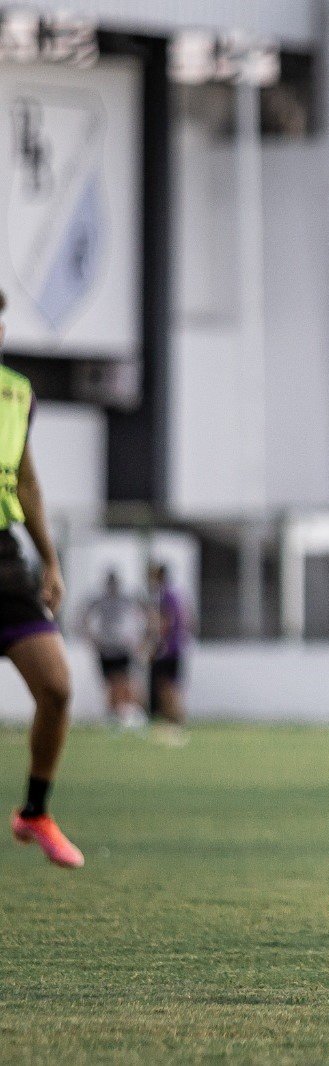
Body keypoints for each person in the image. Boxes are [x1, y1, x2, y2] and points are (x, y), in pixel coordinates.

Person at [0, 289, 83, 868]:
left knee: (55, 687)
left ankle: (34, 811)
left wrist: (49, 560)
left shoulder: (17, 393)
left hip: (5, 559)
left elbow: (26, 482)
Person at [79, 570, 147, 728]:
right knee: (110, 684)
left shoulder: (125, 599)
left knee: (124, 682)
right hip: (105, 648)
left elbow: (143, 613)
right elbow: (83, 617)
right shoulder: (100, 600)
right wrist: (91, 638)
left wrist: (138, 638)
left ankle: (129, 713)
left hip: (121, 648)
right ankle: (113, 715)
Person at [145, 563, 188, 743]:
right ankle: (173, 723)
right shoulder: (173, 594)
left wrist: (155, 646)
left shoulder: (165, 596)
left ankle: (176, 722)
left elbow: (165, 622)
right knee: (168, 686)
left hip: (168, 650)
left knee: (166, 687)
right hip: (175, 647)